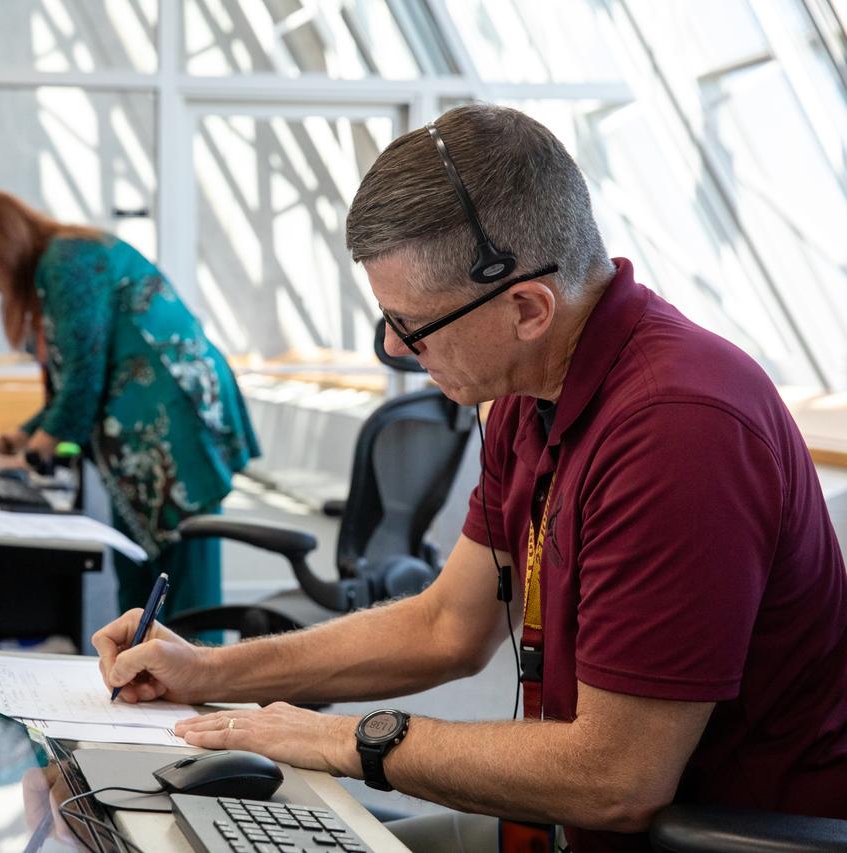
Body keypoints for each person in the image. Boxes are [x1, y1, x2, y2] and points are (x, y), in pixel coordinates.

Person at [93, 104, 847, 852]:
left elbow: (618, 777)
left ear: (526, 307)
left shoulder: (680, 429)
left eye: (413, 326)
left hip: (696, 835)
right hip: (564, 823)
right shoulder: (528, 391)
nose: (394, 344)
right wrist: (209, 669)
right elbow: (446, 626)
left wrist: (343, 739)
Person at [0, 191, 260, 628]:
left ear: (0, 241)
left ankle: (199, 689)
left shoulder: (66, 259)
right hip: (140, 434)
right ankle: (141, 682)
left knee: (187, 596)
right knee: (137, 583)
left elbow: (84, 379)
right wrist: (16, 438)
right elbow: (77, 378)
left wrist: (23, 458)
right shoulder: (55, 265)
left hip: (174, 429)